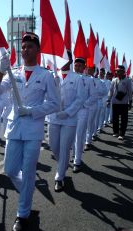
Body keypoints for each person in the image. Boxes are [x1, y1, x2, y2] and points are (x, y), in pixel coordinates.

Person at [0, 32, 60, 231]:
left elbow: (55, 104)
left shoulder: (45, 75)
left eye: (29, 46)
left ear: (38, 50)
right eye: (23, 46)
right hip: (14, 128)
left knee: (29, 172)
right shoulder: (14, 73)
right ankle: (27, 195)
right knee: (10, 171)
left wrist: (31, 111)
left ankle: (23, 214)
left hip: (33, 130)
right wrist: (1, 72)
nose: (25, 50)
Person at [47, 53, 85, 191]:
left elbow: (80, 99)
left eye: (65, 58)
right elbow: (46, 95)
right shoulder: (52, 75)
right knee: (54, 146)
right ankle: (62, 164)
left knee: (64, 148)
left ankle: (59, 177)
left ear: (70, 60)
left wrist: (68, 112)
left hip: (69, 119)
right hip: (54, 116)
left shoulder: (77, 78)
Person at [72, 58, 97, 170]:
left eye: (80, 66)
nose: (77, 68)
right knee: (71, 135)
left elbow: (93, 95)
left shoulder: (89, 80)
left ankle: (77, 160)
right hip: (70, 111)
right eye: (76, 65)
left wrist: (84, 105)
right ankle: (73, 154)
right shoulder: (69, 78)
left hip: (82, 111)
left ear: (84, 68)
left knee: (79, 135)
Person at [107, 65, 132, 140]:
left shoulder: (127, 80)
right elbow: (111, 90)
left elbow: (130, 91)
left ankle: (122, 134)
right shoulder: (114, 80)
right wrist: (108, 99)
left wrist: (130, 101)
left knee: (124, 119)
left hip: (124, 103)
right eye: (117, 71)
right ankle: (116, 132)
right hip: (115, 102)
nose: (117, 72)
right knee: (115, 118)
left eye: (119, 71)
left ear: (123, 72)